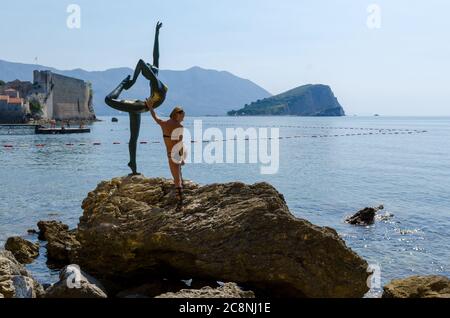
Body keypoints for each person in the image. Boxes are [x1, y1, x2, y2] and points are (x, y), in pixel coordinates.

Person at [104, 21, 168, 175]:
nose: (148, 65)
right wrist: (157, 33)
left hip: (141, 106)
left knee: (108, 99)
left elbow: (140, 62)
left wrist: (131, 81)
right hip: (141, 106)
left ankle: (122, 84)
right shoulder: (156, 80)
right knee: (133, 138)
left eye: (148, 68)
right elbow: (156, 55)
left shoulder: (155, 81)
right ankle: (133, 165)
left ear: (149, 72)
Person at [147, 102, 186, 211]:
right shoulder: (179, 126)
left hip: (170, 154)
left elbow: (155, 117)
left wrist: (150, 107)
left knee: (176, 178)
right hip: (175, 154)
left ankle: (180, 201)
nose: (183, 119)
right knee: (177, 179)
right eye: (182, 116)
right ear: (177, 115)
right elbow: (180, 144)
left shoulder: (164, 123)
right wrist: (182, 157)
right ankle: (180, 202)